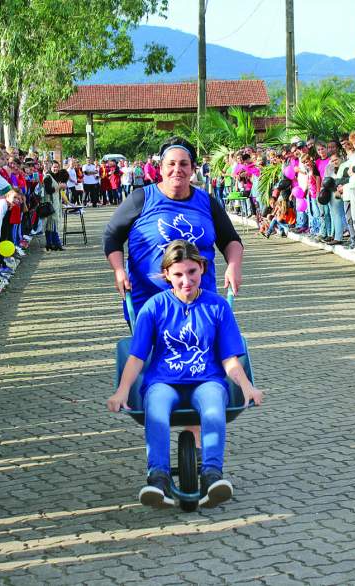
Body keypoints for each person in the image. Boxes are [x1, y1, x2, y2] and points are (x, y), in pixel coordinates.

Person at [106, 240, 263, 509]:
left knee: (214, 409)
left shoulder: (217, 307)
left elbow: (229, 359)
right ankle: (158, 478)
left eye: (192, 272)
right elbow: (136, 358)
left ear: (202, 268)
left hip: (207, 381)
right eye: (178, 274)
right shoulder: (154, 307)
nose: (186, 280)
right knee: (156, 410)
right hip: (163, 382)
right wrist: (122, 391)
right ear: (166, 274)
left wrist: (247, 387)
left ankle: (212, 475)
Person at [103, 136, 244, 318]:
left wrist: (234, 266)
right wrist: (119, 270)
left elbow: (231, 240)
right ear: (160, 168)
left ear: (193, 169)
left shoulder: (207, 202)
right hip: (149, 305)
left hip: (201, 304)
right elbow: (112, 237)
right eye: (171, 164)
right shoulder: (141, 198)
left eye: (184, 164)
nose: (177, 170)